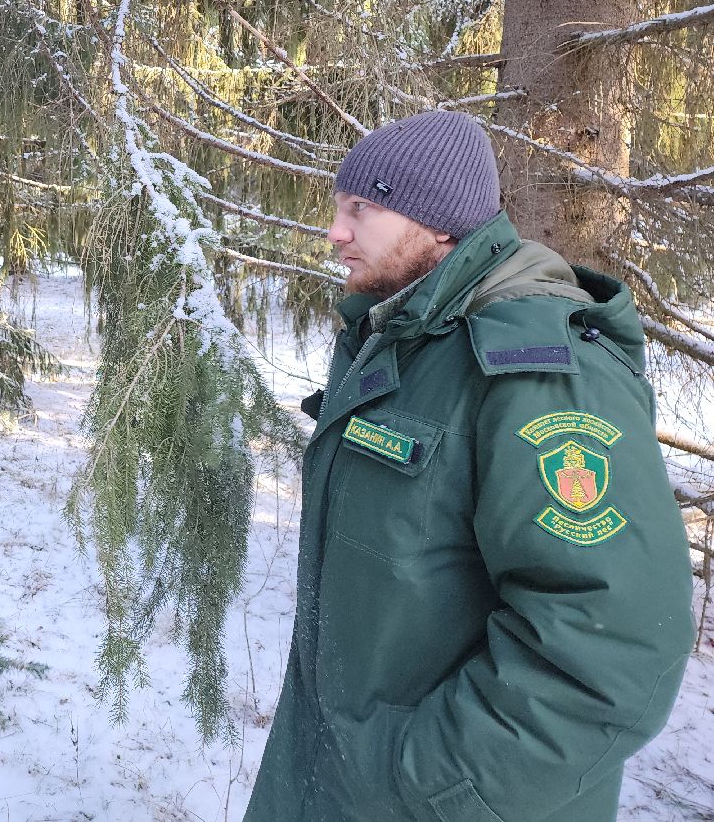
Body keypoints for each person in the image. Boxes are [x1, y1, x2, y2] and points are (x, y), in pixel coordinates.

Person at [244, 111, 694, 822]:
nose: (335, 232)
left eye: (362, 208)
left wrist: (427, 783)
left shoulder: (541, 374)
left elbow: (608, 647)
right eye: (338, 208)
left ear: (441, 223)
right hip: (337, 784)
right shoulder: (403, 342)